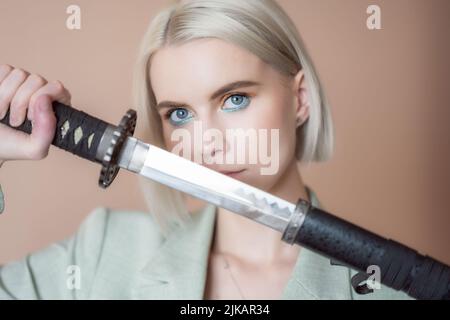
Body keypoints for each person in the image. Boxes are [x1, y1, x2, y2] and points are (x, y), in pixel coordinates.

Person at [0, 0, 411, 299]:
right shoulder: (102, 252)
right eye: (180, 114)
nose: (206, 141)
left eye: (234, 99)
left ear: (300, 98)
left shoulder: (389, 288)